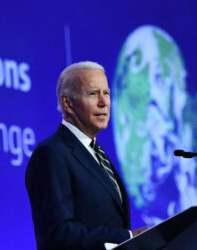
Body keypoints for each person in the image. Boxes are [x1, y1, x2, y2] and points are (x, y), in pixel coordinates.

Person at [25, 61, 148, 249]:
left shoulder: (97, 154)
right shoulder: (52, 153)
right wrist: (127, 237)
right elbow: (59, 233)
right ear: (67, 103)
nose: (104, 102)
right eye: (93, 93)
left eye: (106, 93)